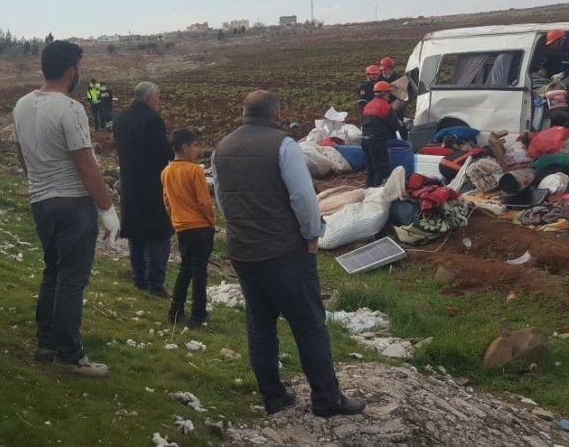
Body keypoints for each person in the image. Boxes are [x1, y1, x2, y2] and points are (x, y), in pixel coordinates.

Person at [212, 90, 365, 418]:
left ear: (244, 112)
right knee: (309, 324)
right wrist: (312, 235)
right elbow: (303, 199)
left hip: (243, 251)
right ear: (276, 112)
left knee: (260, 323)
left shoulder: (221, 148)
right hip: (283, 252)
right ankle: (327, 398)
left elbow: (223, 199)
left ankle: (273, 397)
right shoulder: (283, 145)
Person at [13, 40, 121, 378]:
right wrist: (107, 208)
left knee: (53, 272)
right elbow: (86, 166)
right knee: (72, 280)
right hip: (73, 205)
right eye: (80, 66)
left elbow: (22, 156)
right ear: (72, 69)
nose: (81, 73)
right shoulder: (70, 109)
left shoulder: (22, 105)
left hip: (40, 202)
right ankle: (69, 357)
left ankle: (46, 342)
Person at [113, 82, 175, 297]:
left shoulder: (121, 119)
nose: (159, 102)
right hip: (153, 185)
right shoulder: (153, 119)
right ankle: (155, 284)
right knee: (159, 235)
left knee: (136, 234)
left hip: (130, 184)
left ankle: (138, 279)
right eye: (158, 98)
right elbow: (164, 152)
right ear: (150, 98)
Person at [161, 127, 216, 327]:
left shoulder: (166, 171)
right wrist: (211, 220)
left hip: (182, 228)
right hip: (200, 227)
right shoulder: (194, 171)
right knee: (200, 272)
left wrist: (176, 219)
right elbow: (204, 202)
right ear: (184, 147)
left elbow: (167, 201)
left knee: (185, 269)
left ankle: (175, 310)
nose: (198, 150)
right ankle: (198, 314)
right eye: (195, 145)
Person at [361, 81, 407, 187]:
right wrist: (402, 125)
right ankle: (376, 195)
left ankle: (368, 193)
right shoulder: (385, 106)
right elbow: (395, 126)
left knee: (370, 169)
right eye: (388, 93)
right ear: (386, 93)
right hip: (376, 141)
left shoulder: (368, 106)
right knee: (381, 169)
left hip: (364, 140)